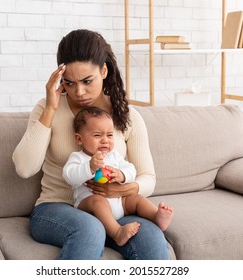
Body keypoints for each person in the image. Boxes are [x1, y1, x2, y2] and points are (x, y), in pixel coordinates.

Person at [12, 29, 170, 259]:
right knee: (89, 228)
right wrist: (50, 108)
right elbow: (25, 168)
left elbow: (148, 177)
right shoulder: (48, 108)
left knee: (153, 237)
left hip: (115, 210)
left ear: (104, 71)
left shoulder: (127, 115)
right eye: (69, 83)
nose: (79, 92)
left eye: (87, 81)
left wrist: (124, 188)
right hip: (57, 208)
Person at [63, 107, 173, 247]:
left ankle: (156, 216)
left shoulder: (113, 155)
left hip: (120, 203)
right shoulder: (79, 158)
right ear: (79, 139)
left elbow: (131, 169)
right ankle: (117, 233)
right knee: (98, 201)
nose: (105, 141)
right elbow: (69, 176)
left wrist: (121, 175)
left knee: (135, 198)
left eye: (109, 135)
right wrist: (89, 167)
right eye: (97, 135)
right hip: (91, 208)